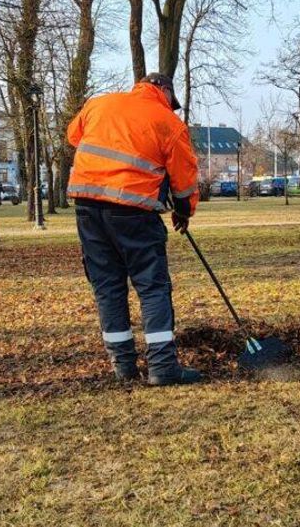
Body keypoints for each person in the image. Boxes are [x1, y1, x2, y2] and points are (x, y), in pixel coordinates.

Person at [66, 73, 202, 386]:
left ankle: (123, 366)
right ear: (164, 91)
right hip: (133, 211)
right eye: (172, 101)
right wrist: (184, 211)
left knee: (107, 285)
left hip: (87, 207)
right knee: (152, 285)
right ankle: (163, 367)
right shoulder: (169, 123)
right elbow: (184, 180)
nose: (173, 107)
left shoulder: (99, 104)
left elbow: (74, 136)